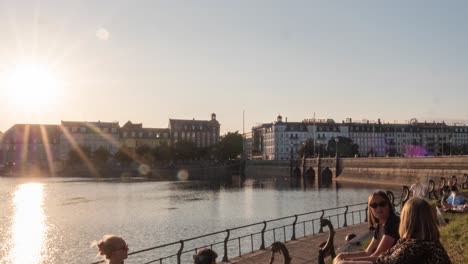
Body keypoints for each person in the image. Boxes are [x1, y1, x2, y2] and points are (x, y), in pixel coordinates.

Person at [375, 197, 451, 264]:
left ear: (406, 219)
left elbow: (383, 261)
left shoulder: (416, 247)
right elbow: (385, 256)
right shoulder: (429, 241)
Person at [333, 191, 400, 264]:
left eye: (382, 204)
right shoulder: (380, 225)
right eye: (374, 205)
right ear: (370, 209)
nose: (378, 208)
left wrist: (346, 261)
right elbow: (368, 252)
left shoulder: (393, 223)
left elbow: (378, 255)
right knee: (341, 257)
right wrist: (342, 256)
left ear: (389, 205)